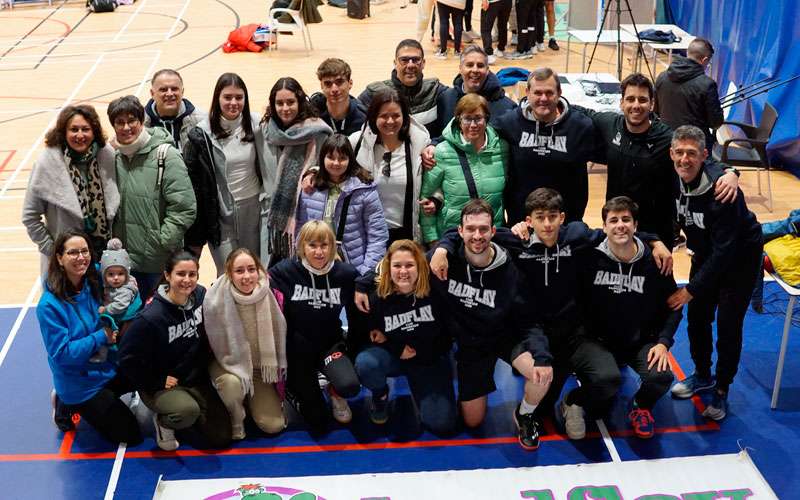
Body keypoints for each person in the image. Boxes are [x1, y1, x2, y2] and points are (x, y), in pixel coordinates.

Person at [431, 188, 672, 438]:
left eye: (552, 216)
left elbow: (617, 231)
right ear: (528, 221)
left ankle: (568, 402)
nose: (547, 224)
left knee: (571, 387)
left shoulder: (577, 236)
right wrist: (441, 249)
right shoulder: (515, 240)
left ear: (562, 217)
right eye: (540, 217)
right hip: (528, 330)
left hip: (569, 333)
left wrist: (655, 241)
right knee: (483, 419)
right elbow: (466, 233)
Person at [430, 199, 553, 450]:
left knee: (542, 375)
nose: (477, 236)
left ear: (493, 231)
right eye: (471, 229)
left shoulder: (512, 268)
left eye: (484, 229)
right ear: (460, 231)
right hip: (470, 344)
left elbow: (529, 320)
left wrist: (541, 356)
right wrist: (366, 283)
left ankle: (525, 414)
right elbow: (399, 267)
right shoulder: (444, 259)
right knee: (473, 422)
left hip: (504, 334)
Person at [666, 125, 763, 421]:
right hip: (708, 252)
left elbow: (725, 252)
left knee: (728, 325)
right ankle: (702, 374)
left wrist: (690, 289)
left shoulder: (722, 190)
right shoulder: (673, 178)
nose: (685, 159)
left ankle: (721, 389)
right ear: (671, 154)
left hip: (739, 259)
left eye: (692, 154)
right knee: (697, 319)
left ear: (704, 156)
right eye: (679, 153)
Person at [564, 196, 681, 439]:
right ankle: (573, 402)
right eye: (613, 220)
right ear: (604, 227)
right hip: (594, 340)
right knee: (606, 384)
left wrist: (663, 342)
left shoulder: (655, 261)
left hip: (637, 340)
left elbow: (674, 305)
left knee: (661, 376)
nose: (620, 225)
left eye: (626, 220)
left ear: (636, 226)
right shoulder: (588, 256)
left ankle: (641, 406)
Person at [575, 73, 738, 246]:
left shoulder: (667, 137)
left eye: (642, 100)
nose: (636, 105)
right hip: (619, 226)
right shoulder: (609, 124)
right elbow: (584, 113)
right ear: (621, 103)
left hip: (656, 233)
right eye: (630, 99)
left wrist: (730, 171)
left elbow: (696, 158)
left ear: (652, 104)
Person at [119, 250, 232, 451]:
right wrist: (156, 380)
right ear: (168, 275)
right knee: (186, 412)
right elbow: (127, 359)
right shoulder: (151, 317)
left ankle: (191, 411)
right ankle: (164, 423)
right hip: (163, 383)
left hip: (194, 377)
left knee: (221, 438)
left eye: (192, 274)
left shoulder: (200, 295)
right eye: (181, 274)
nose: (187, 280)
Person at [37, 230, 142, 445]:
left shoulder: (94, 277)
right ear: (59, 258)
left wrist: (131, 285)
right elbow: (63, 354)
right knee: (131, 435)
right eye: (73, 252)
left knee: (146, 373)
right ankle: (66, 401)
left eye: (84, 251)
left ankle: (86, 399)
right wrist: (101, 336)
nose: (81, 257)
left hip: (106, 364)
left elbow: (120, 271)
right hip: (81, 381)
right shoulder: (49, 306)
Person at [354, 240, 457, 434]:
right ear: (387, 268)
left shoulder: (436, 290)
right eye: (397, 266)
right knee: (366, 363)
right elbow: (371, 336)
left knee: (441, 424)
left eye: (409, 265)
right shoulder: (376, 297)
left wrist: (421, 351)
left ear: (420, 266)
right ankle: (380, 395)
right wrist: (396, 348)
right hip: (396, 357)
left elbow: (447, 337)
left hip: (429, 358)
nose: (403, 271)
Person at [268, 221, 361, 433]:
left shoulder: (346, 275)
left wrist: (354, 351)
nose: (319, 252)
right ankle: (293, 387)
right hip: (297, 350)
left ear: (332, 247)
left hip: (330, 346)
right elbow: (255, 282)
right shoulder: (286, 271)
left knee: (349, 385)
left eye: (324, 245)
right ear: (302, 246)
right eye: (312, 245)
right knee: (318, 421)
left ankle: (335, 391)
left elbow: (363, 302)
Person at [107, 95, 196, 300]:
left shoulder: (166, 155)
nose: (126, 127)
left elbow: (184, 207)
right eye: (120, 122)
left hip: (157, 263)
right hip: (124, 263)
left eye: (132, 120)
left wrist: (161, 241)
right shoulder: (113, 157)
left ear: (141, 121)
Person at [182, 72, 269, 275]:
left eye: (239, 97)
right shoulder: (202, 133)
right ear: (217, 99)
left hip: (253, 210)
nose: (233, 103)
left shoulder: (256, 124)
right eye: (227, 97)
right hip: (220, 215)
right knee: (227, 272)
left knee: (253, 270)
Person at [23, 105, 119, 274]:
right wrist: (55, 252)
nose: (80, 135)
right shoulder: (47, 163)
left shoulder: (107, 155)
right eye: (74, 129)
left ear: (94, 131)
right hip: (65, 266)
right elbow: (30, 217)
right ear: (63, 132)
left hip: (103, 259)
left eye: (85, 129)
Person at [493, 67, 597, 224]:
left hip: (565, 224)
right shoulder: (509, 123)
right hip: (521, 224)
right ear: (527, 92)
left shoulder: (581, 126)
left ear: (559, 92)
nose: (543, 98)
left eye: (549, 93)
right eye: (537, 93)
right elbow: (478, 133)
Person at [204, 248, 288, 440]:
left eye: (251, 269)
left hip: (258, 369)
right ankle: (236, 414)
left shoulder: (273, 295)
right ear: (229, 273)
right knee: (231, 386)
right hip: (228, 366)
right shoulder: (214, 299)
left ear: (259, 270)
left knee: (273, 426)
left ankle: (252, 400)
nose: (247, 276)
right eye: (239, 271)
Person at [262, 77, 333, 264]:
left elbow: (330, 169)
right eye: (279, 103)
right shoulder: (265, 132)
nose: (285, 108)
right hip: (271, 218)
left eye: (291, 102)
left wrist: (315, 171)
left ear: (300, 102)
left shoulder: (318, 132)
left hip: (307, 218)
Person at [420, 94, 508, 244]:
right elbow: (425, 199)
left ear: (486, 119)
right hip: (453, 238)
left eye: (478, 118)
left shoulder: (502, 148)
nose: (473, 125)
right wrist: (433, 240)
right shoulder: (441, 152)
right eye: (467, 119)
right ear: (458, 120)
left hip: (491, 237)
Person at [297, 134, 388, 274]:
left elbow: (377, 236)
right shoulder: (310, 188)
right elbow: (301, 230)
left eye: (342, 158)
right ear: (322, 158)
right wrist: (302, 262)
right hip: (314, 264)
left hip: (353, 266)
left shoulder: (365, 190)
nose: (336, 163)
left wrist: (365, 273)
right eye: (331, 157)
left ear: (350, 160)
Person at [350, 88, 431, 244]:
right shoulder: (356, 143)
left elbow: (435, 178)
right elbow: (332, 163)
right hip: (368, 234)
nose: (390, 122)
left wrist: (435, 198)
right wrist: (313, 173)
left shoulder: (419, 144)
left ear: (405, 117)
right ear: (374, 117)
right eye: (384, 116)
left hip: (407, 234)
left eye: (396, 116)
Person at [359, 39, 448, 137]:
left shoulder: (436, 91)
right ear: (395, 63)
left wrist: (434, 144)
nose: (410, 65)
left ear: (423, 63)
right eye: (404, 60)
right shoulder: (374, 93)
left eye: (416, 60)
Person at [430, 46, 516, 137]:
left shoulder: (507, 108)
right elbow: (438, 135)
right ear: (460, 69)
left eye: (480, 66)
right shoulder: (445, 99)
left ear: (487, 70)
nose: (475, 70)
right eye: (469, 65)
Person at [655, 38, 725, 150]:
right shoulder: (707, 85)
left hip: (665, 141)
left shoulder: (662, 77)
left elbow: (656, 111)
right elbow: (715, 123)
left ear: (688, 53)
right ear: (704, 60)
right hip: (694, 146)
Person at [95, 238, 142, 362]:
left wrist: (105, 309)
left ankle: (104, 352)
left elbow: (120, 305)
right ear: (104, 275)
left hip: (124, 319)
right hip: (121, 317)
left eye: (120, 274)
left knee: (102, 326)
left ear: (127, 273)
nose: (116, 278)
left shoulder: (126, 289)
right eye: (110, 274)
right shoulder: (115, 285)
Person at [144, 69, 206, 150]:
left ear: (182, 92)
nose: (169, 93)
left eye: (174, 89)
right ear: (152, 93)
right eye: (163, 89)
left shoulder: (202, 121)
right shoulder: (140, 123)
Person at [310, 58, 368, 136]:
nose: (334, 89)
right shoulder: (311, 114)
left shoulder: (363, 119)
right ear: (321, 86)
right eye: (328, 83)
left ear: (350, 83)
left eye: (339, 82)